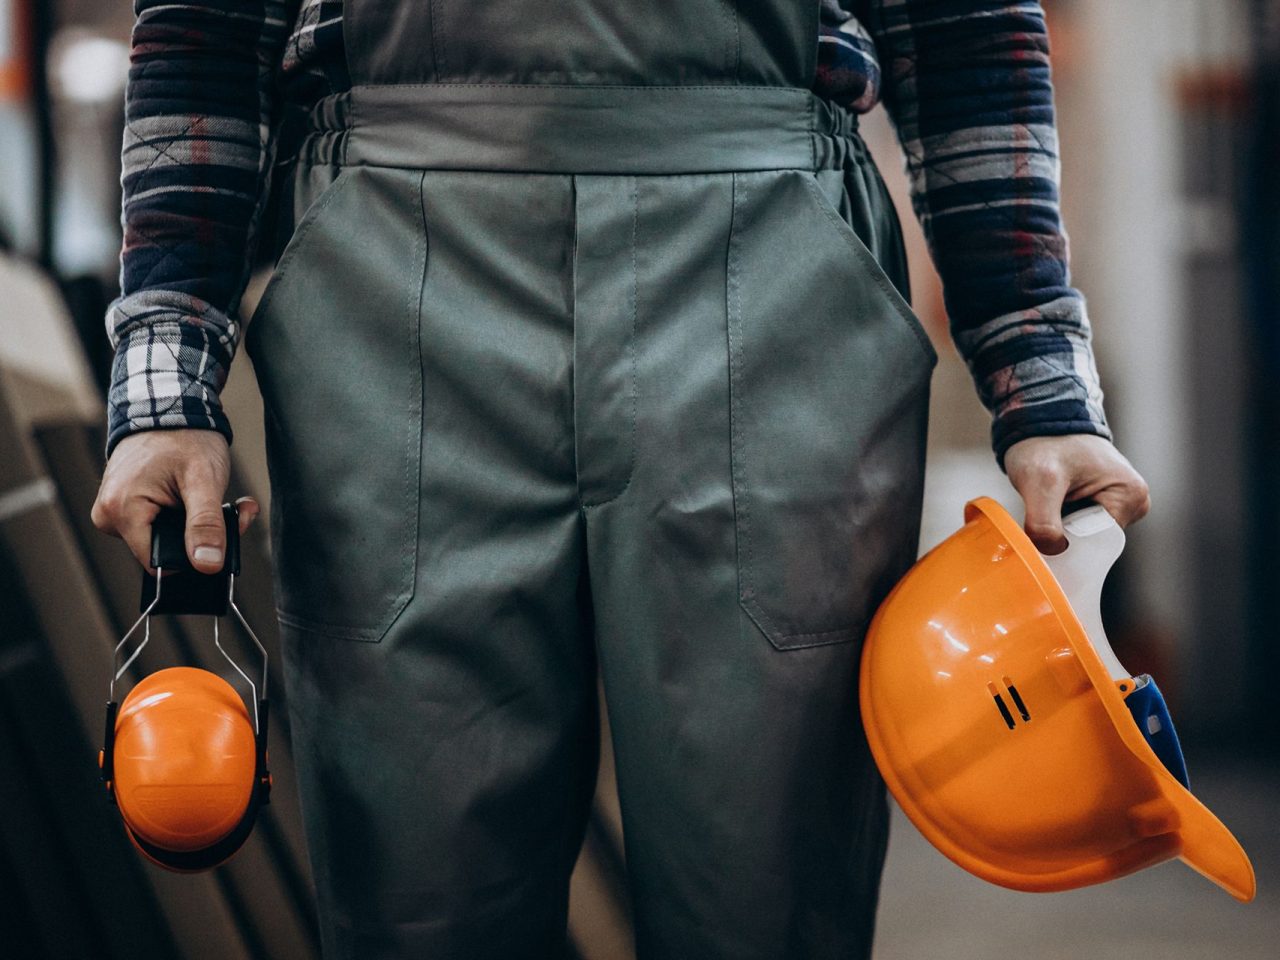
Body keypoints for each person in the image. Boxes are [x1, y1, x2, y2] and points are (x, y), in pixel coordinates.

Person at [92, 1, 1150, 957]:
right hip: (394, 290)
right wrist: (165, 383)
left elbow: (964, 30)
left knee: (767, 893)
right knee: (420, 899)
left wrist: (1039, 380)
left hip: (768, 276)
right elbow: (206, 28)